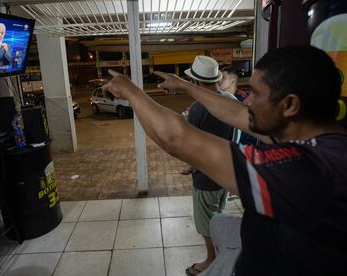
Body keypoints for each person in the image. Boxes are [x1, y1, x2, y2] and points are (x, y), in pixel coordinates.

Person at [102, 45, 347, 275]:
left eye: (255, 93)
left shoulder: (307, 171)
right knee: (219, 221)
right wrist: (183, 85)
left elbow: (176, 139)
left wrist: (129, 91)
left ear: (290, 104)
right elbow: (236, 112)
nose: (247, 100)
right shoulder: (317, 135)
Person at [178, 55, 240, 276]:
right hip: (228, 174)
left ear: (195, 82)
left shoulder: (198, 108)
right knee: (220, 215)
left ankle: (211, 262)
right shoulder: (231, 101)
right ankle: (222, 255)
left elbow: (190, 146)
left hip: (206, 177)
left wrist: (191, 166)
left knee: (207, 222)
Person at [217, 66, 258, 145]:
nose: (219, 81)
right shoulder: (222, 96)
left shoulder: (243, 99)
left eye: (223, 78)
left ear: (232, 80)